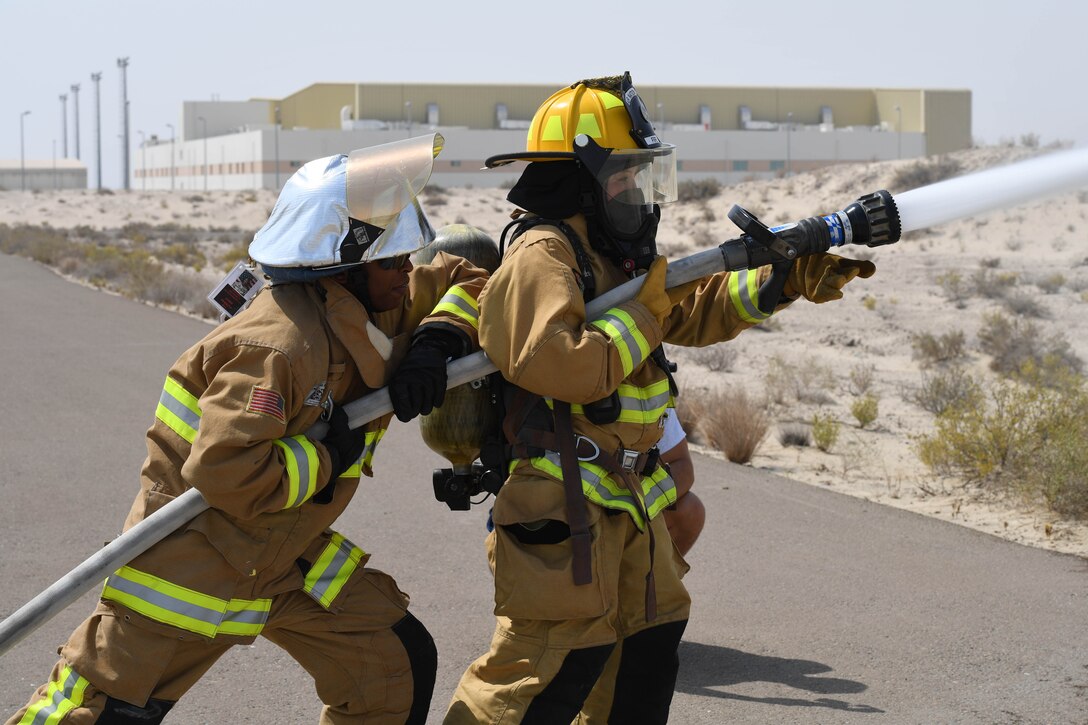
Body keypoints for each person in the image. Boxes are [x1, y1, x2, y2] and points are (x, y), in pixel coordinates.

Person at [8, 133, 489, 725]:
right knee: (95, 713)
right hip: (194, 561)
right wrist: (329, 457)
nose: (406, 272)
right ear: (343, 267)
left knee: (390, 664)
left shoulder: (379, 301)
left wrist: (440, 339)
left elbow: (468, 277)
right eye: (391, 260)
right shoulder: (277, 346)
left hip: (284, 554)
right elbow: (226, 470)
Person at [445, 72, 874, 724]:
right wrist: (644, 309)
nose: (637, 192)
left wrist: (783, 280)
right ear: (578, 179)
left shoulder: (614, 254)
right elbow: (558, 362)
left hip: (632, 513)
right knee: (531, 686)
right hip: (563, 514)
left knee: (638, 678)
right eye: (623, 175)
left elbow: (693, 309)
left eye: (641, 175)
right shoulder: (542, 253)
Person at [659, 409, 703, 557]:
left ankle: (654, 578)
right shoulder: (585, 390)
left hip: (633, 506)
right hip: (587, 510)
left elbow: (682, 465)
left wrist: (642, 510)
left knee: (690, 510)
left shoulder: (652, 391)